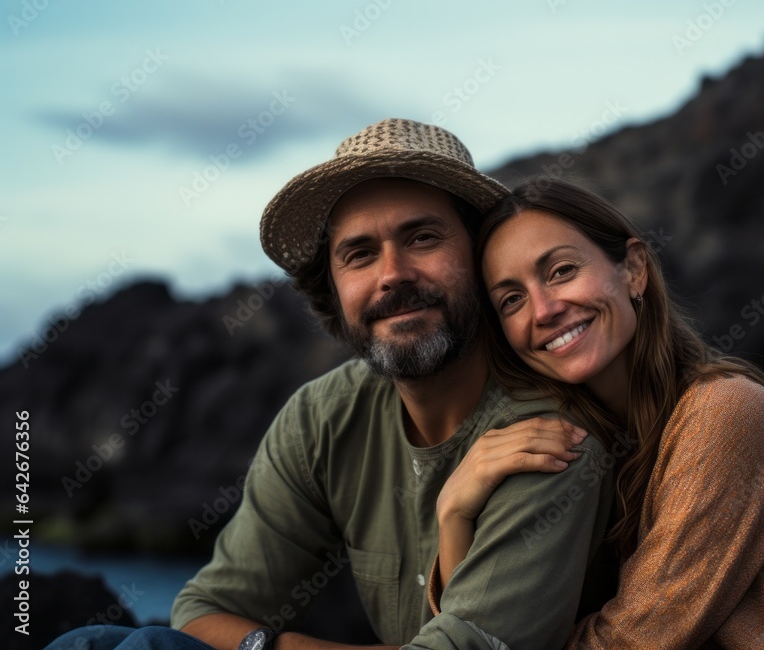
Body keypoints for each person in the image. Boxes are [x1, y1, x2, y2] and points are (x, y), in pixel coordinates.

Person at [43, 120, 616, 650]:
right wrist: (266, 645)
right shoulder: (324, 416)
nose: (393, 274)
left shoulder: (548, 429)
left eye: (422, 238)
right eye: (360, 254)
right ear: (334, 290)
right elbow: (203, 608)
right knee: (86, 644)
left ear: (481, 258)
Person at [429, 177, 764, 648]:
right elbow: (482, 624)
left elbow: (627, 643)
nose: (544, 309)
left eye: (561, 271)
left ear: (634, 269)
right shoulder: (588, 445)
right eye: (512, 300)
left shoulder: (724, 414)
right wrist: (453, 511)